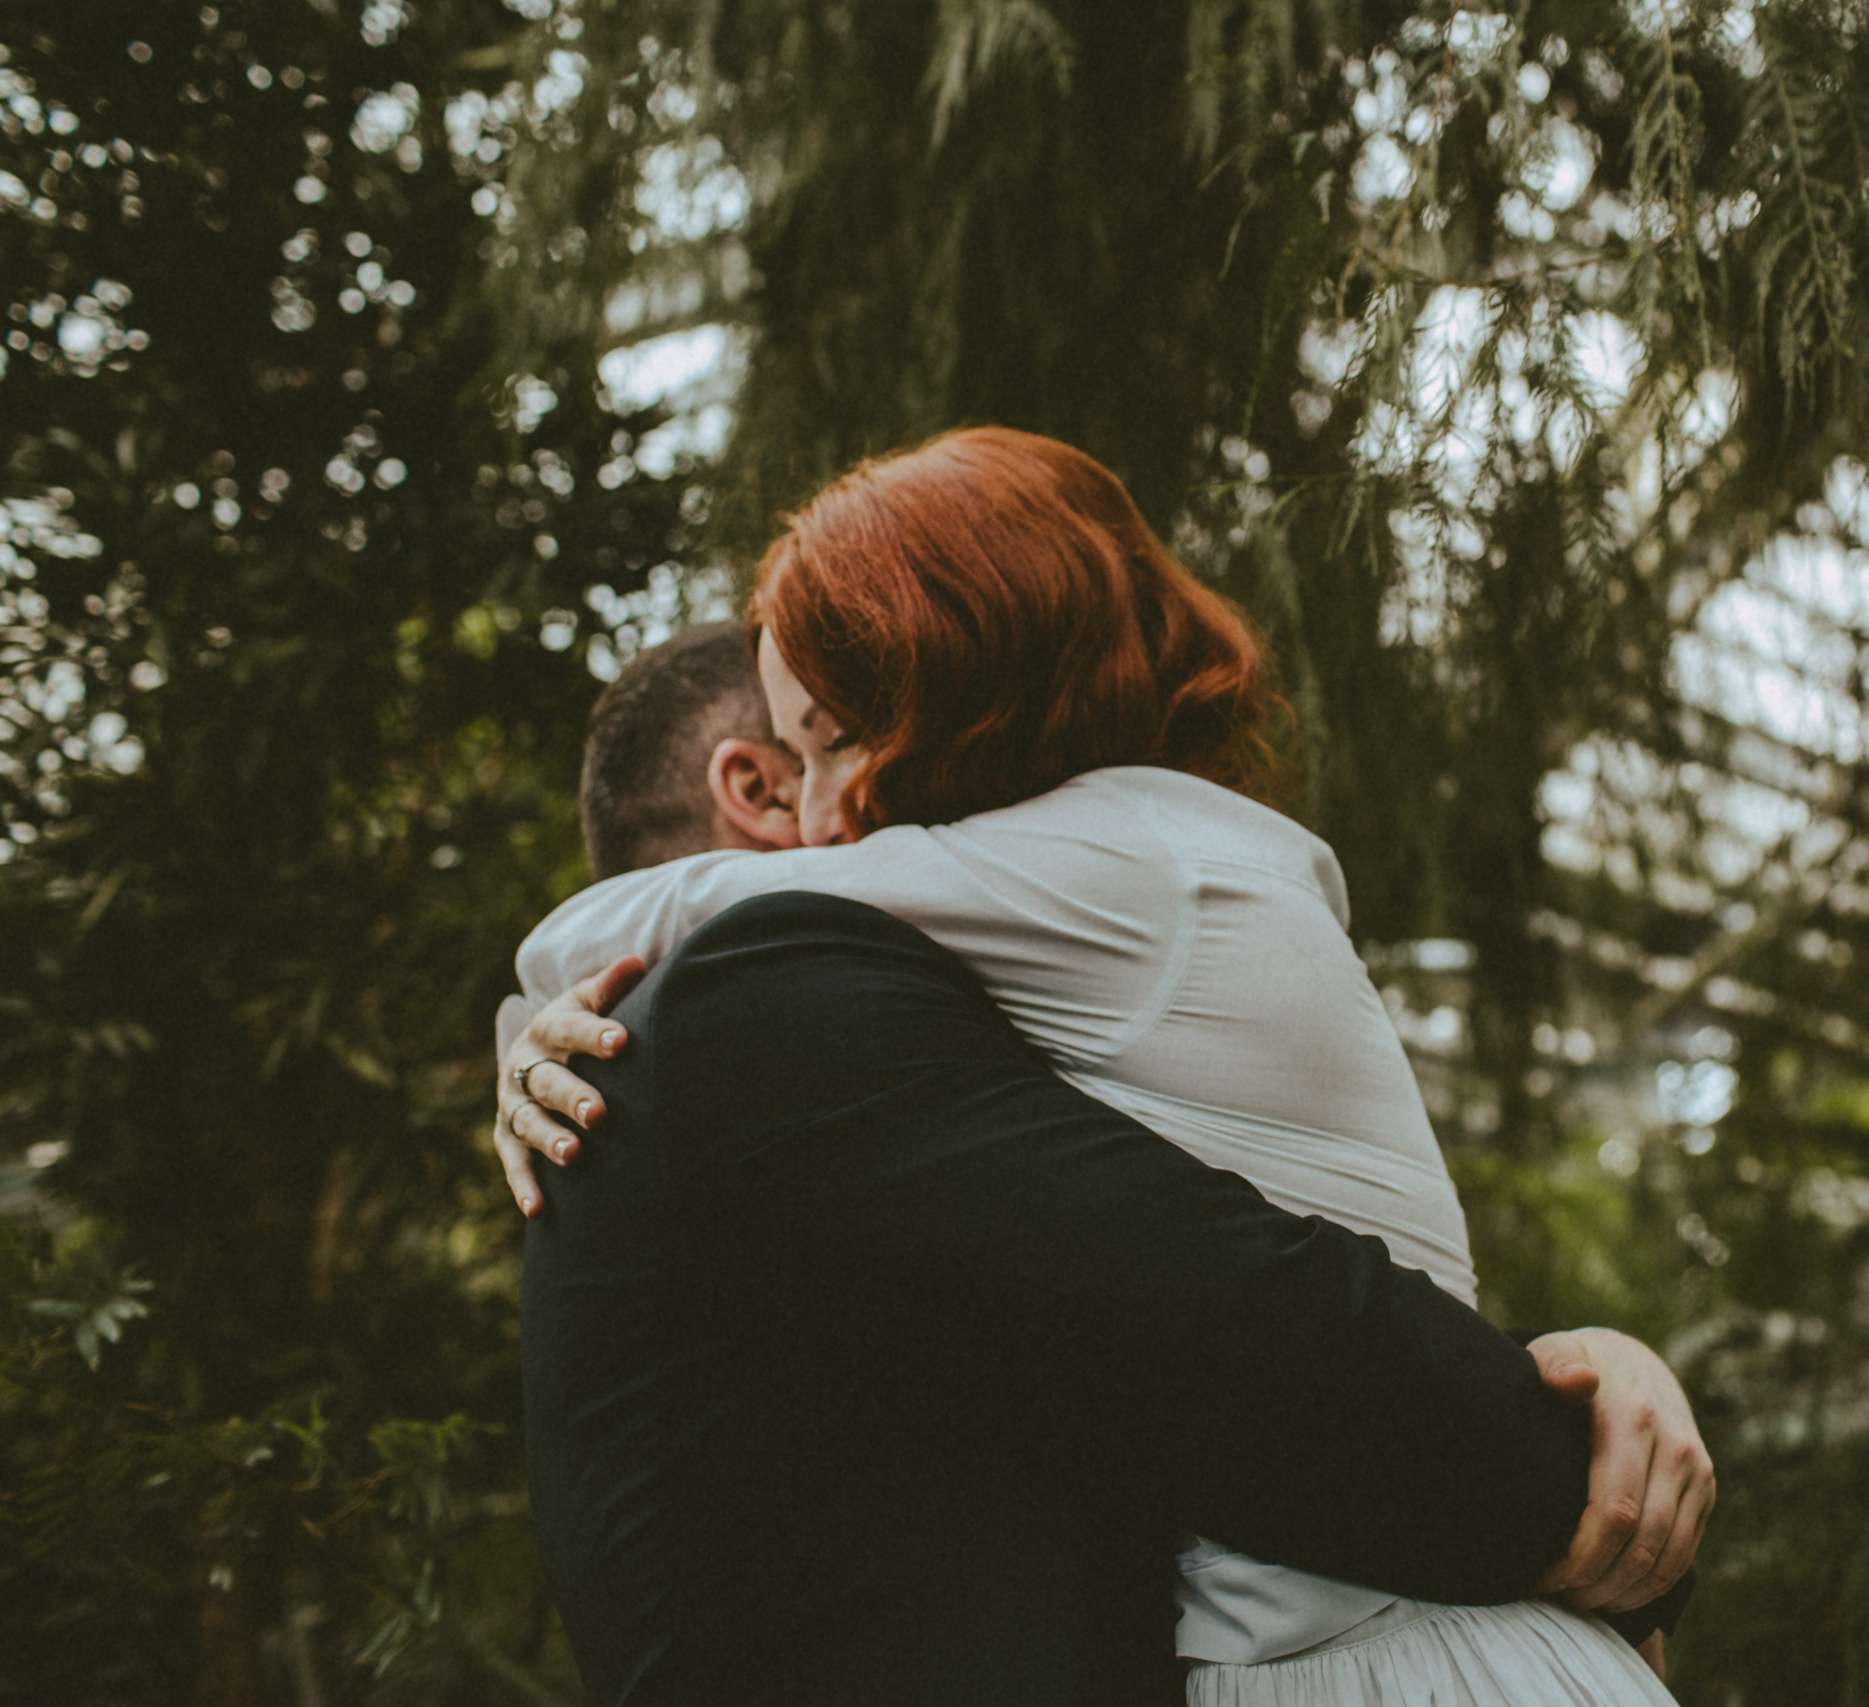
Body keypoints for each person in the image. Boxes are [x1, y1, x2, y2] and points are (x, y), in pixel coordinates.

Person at [498, 429, 1711, 1702]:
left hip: (1358, 1647)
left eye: (832, 740)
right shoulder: (1165, 870)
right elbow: (1202, 1279)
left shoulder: (1106, 863)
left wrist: (540, 1026)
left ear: (949, 677)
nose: (814, 816)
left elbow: (597, 928)